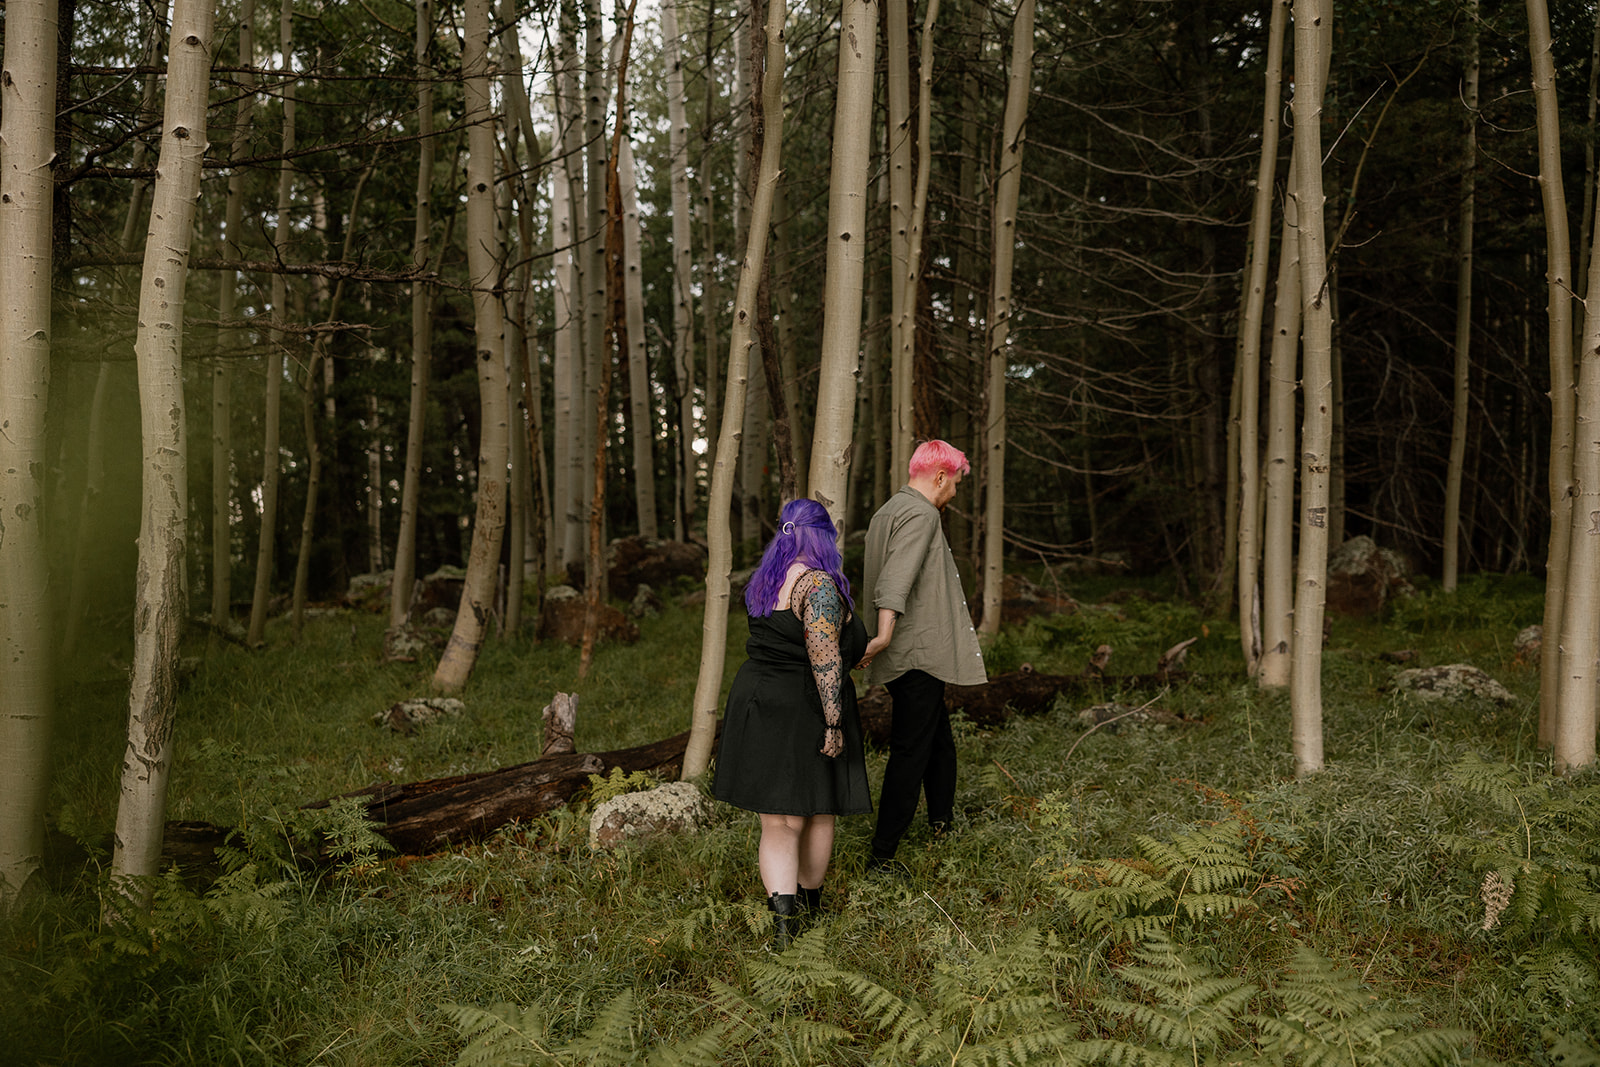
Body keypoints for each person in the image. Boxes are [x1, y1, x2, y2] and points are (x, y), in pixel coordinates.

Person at [712, 498, 871, 949]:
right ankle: (811, 912)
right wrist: (834, 722)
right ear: (823, 537)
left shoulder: (766, 579)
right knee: (817, 807)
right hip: (802, 705)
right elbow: (824, 659)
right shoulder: (818, 583)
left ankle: (784, 929)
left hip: (757, 701)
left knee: (776, 822)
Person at [857, 440, 987, 870]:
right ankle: (882, 854)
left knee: (938, 741)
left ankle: (941, 822)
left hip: (910, 652)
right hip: (915, 651)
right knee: (911, 749)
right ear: (939, 476)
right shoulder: (922, 513)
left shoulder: (887, 510)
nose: (955, 492)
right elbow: (895, 578)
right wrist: (883, 636)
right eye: (956, 484)